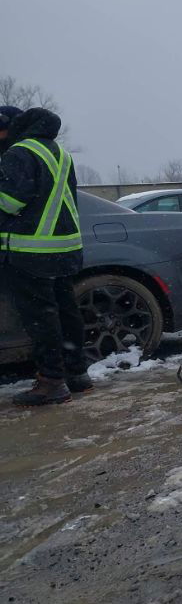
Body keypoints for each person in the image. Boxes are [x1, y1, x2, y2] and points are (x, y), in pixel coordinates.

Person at [0, 106, 91, 406]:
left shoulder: (19, 153)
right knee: (65, 312)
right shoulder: (57, 151)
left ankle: (51, 382)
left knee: (41, 319)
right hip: (63, 249)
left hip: (31, 251)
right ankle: (77, 374)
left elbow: (9, 201)